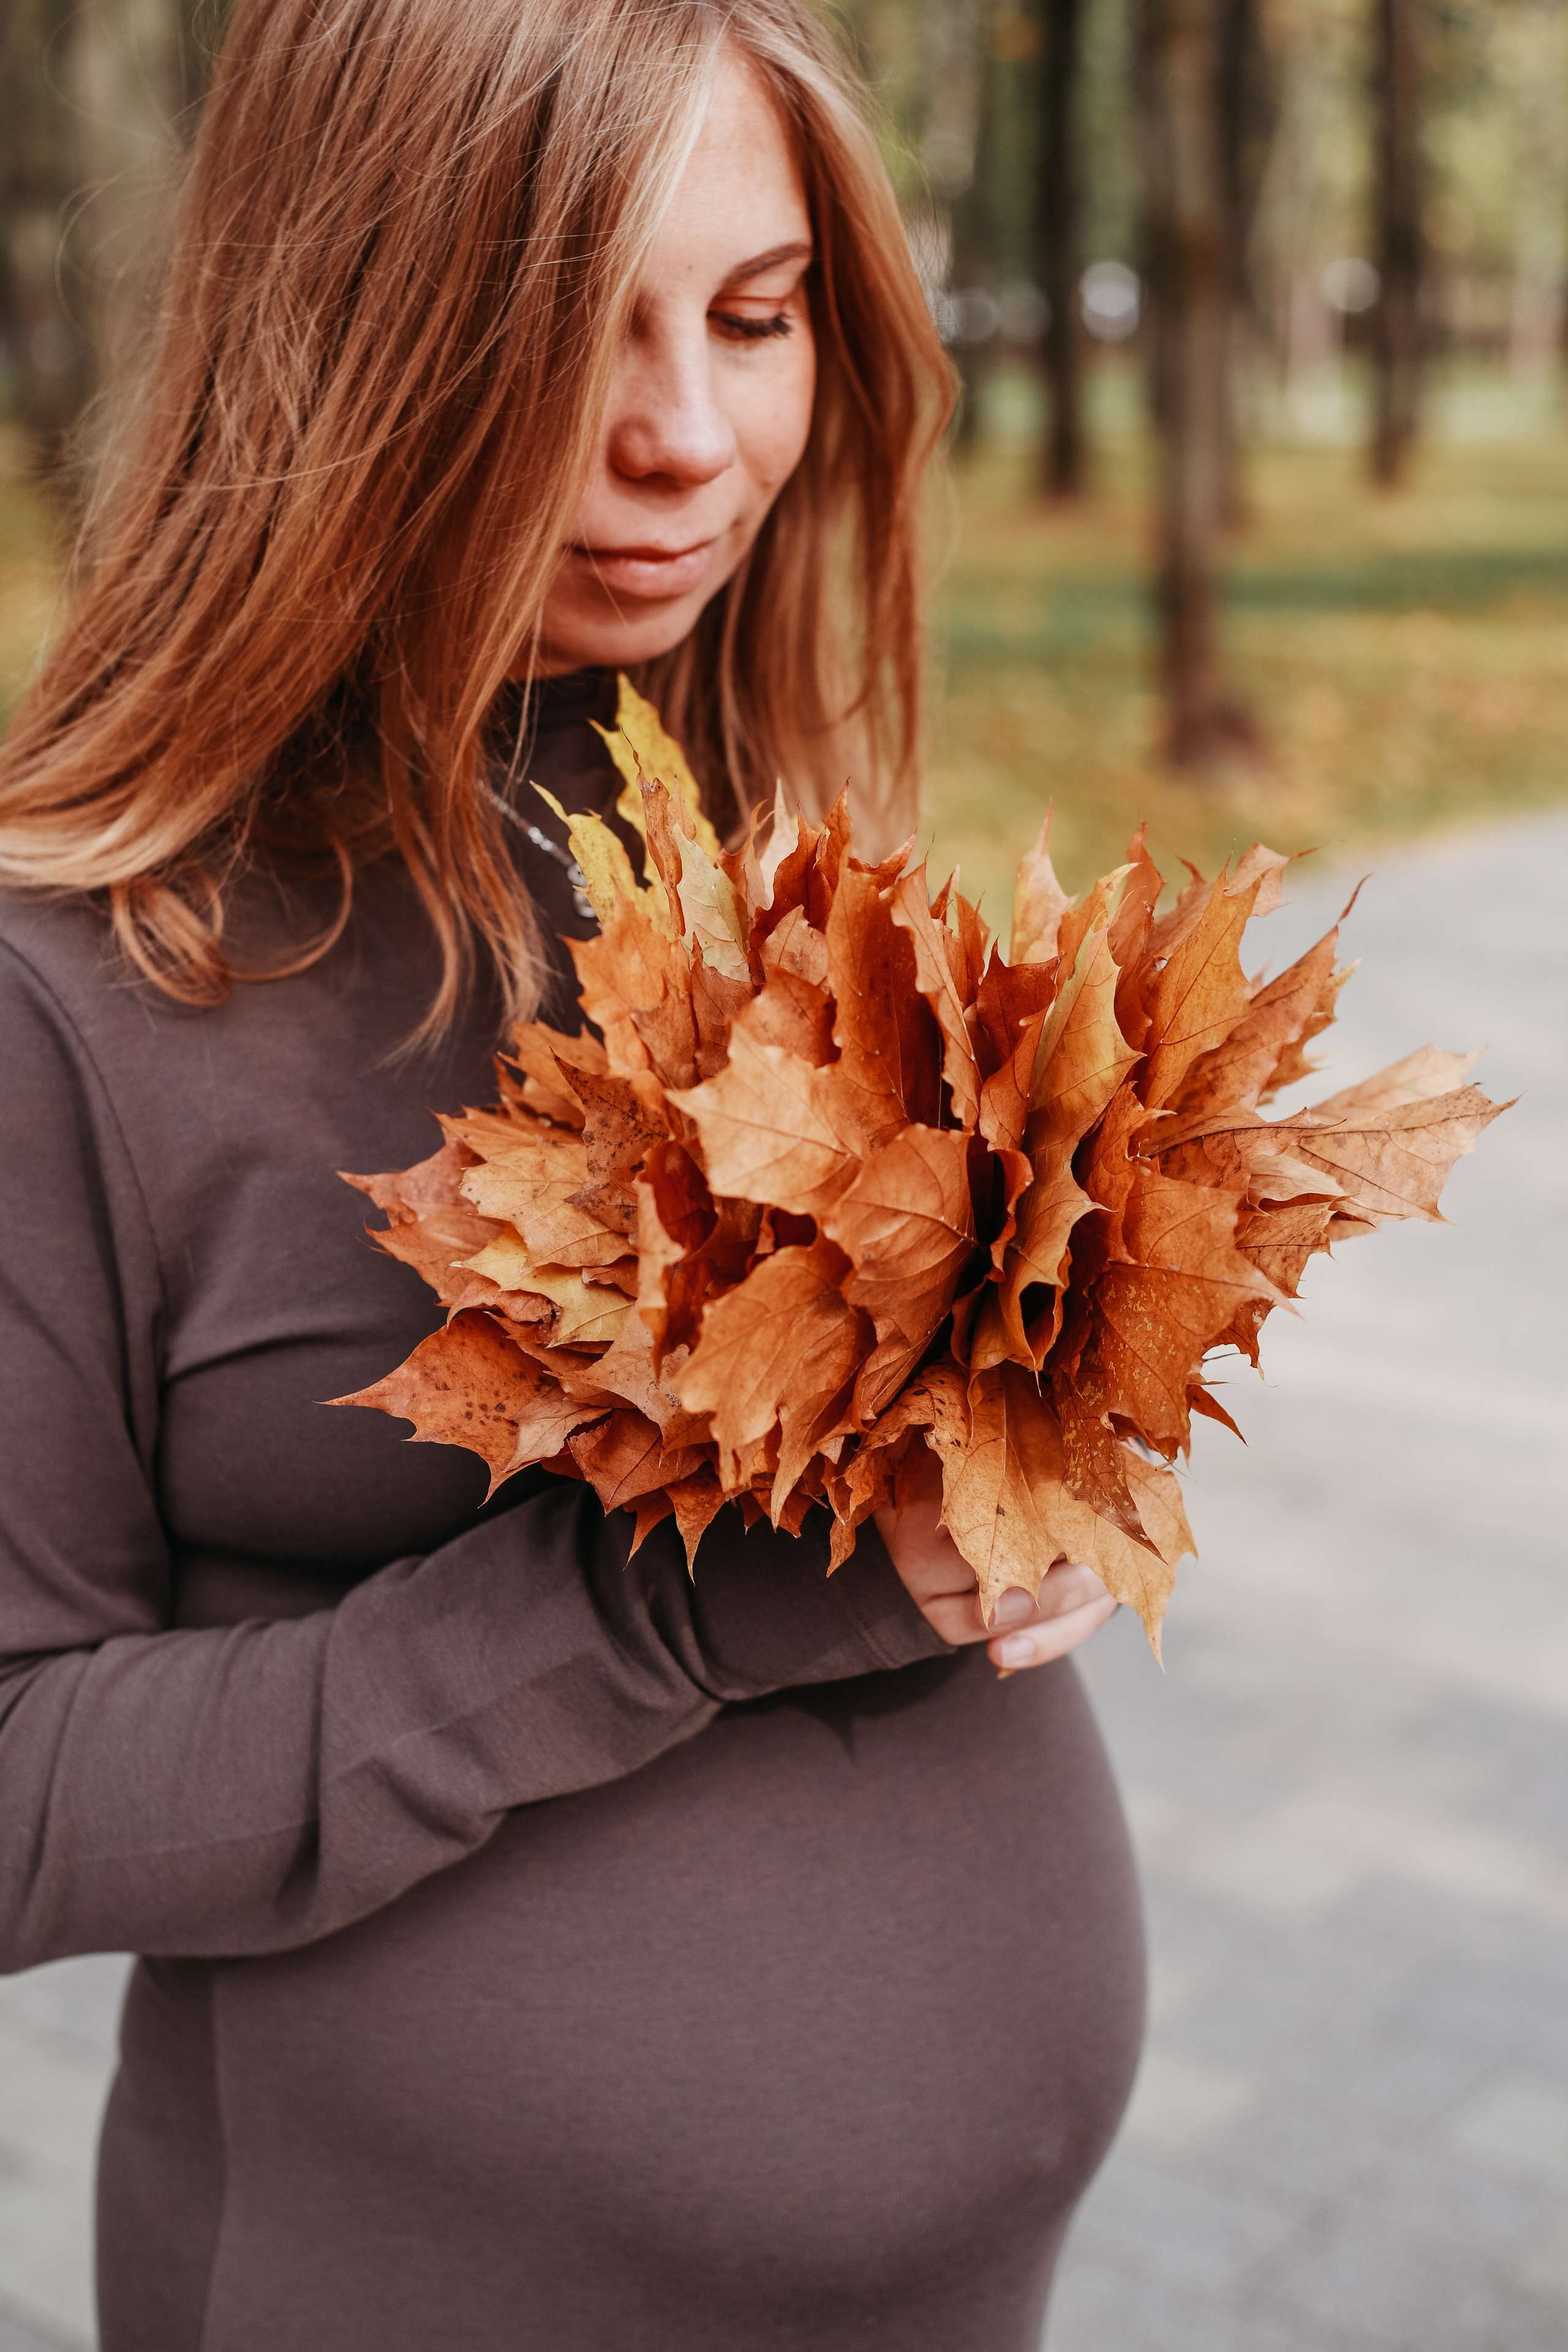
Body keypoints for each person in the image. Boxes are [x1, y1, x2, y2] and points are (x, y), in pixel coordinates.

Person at [0, 3, 1142, 2345]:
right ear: (350, 342)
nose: (689, 445)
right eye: (561, 343)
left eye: (756, 316)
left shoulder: (751, 800)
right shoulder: (78, 981)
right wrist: (676, 1609)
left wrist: (1043, 1405)